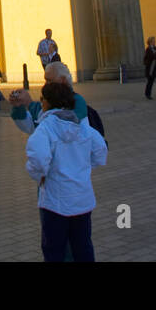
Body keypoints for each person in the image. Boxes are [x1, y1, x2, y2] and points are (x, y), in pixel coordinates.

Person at [25, 80, 107, 262]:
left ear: (47, 102)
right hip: (82, 200)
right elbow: (101, 151)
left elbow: (37, 158)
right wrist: (84, 167)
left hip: (55, 202)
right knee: (83, 246)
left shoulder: (45, 128)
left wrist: (40, 176)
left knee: (54, 250)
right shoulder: (83, 127)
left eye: (42, 99)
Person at [9, 62, 88, 135]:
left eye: (49, 80)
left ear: (63, 80)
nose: (46, 84)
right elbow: (30, 126)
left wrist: (29, 104)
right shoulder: (48, 102)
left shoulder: (77, 101)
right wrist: (18, 106)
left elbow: (61, 128)